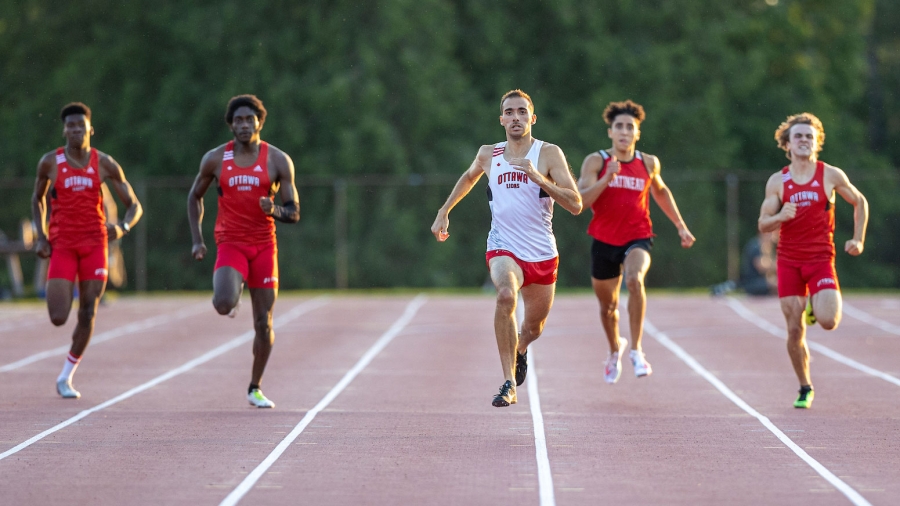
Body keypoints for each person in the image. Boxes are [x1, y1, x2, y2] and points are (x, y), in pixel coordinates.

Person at [431, 89, 582, 407]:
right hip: (503, 247)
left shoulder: (549, 153)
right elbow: (469, 177)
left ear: (532, 118)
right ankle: (508, 383)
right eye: (510, 112)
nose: (516, 117)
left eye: (522, 112)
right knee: (505, 296)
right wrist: (445, 211)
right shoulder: (490, 153)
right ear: (501, 119)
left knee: (533, 326)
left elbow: (576, 203)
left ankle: (521, 349)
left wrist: (539, 178)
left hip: (542, 253)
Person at [187, 94, 299, 408]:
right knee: (223, 303)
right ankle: (232, 295)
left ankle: (255, 386)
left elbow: (294, 211)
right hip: (231, 242)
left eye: (249, 119)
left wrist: (274, 209)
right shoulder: (214, 159)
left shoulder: (277, 160)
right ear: (231, 125)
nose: (244, 125)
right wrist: (197, 239)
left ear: (260, 122)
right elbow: (194, 197)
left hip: (264, 245)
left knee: (264, 323)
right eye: (238, 120)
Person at [577, 100, 695, 385]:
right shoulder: (596, 161)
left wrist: (681, 226)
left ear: (637, 133)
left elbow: (662, 193)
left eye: (630, 127)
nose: (624, 132)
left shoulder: (648, 163)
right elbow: (581, 201)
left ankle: (637, 350)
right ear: (610, 132)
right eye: (619, 126)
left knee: (634, 280)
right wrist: (607, 178)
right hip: (604, 240)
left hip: (638, 236)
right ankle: (614, 350)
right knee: (608, 308)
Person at [31, 102, 143, 399]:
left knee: (88, 311)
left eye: (80, 125)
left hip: (95, 244)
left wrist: (123, 227)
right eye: (70, 126)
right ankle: (67, 364)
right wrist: (41, 236)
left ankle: (66, 375)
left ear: (90, 129)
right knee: (57, 315)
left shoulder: (104, 163)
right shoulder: (50, 163)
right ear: (64, 130)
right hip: (63, 245)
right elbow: (37, 200)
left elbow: (134, 205)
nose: (75, 130)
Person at [758, 112, 868, 409]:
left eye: (809, 136)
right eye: (798, 136)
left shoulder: (830, 175)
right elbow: (763, 223)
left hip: (820, 259)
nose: (804, 140)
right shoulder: (778, 181)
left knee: (829, 321)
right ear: (788, 144)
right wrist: (780, 216)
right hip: (789, 262)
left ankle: (814, 309)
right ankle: (805, 386)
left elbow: (859, 201)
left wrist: (858, 238)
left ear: (817, 141)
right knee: (794, 331)